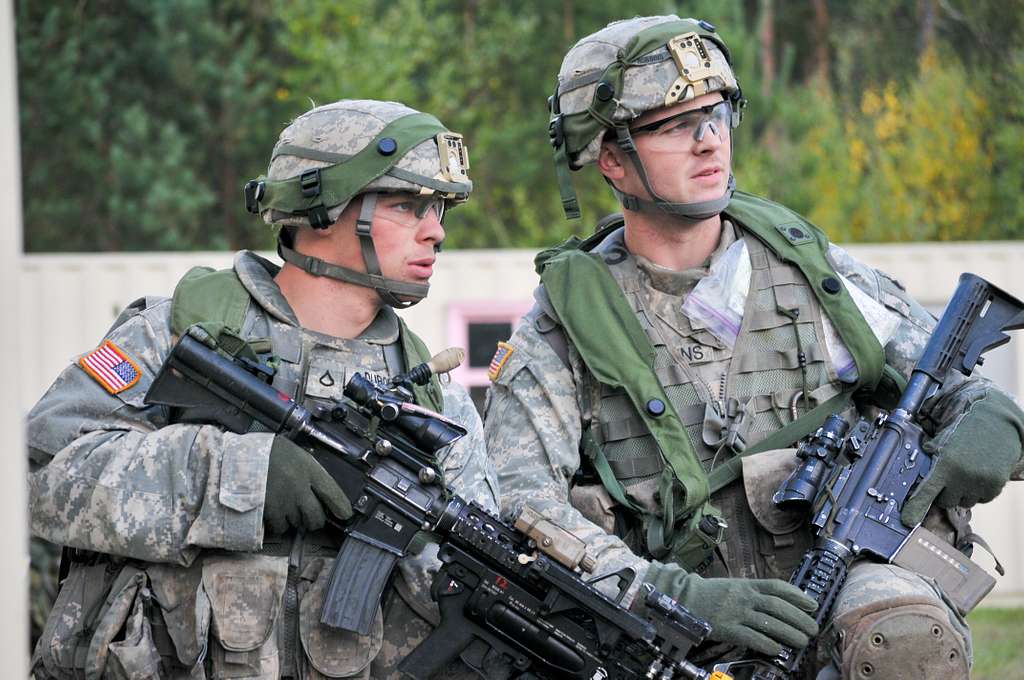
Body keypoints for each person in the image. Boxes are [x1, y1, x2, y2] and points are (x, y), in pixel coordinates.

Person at [483, 15, 1024, 679]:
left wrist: (989, 417)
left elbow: (951, 389)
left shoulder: (812, 272)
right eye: (674, 125)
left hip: (851, 589)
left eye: (716, 114)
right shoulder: (562, 330)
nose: (709, 141)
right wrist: (673, 595)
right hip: (670, 621)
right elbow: (518, 507)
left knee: (903, 640)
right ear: (612, 158)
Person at [29, 99, 499, 679]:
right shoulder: (178, 331)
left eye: (440, 210)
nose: (437, 232)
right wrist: (239, 476)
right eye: (408, 205)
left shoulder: (435, 404)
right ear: (323, 208)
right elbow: (41, 471)